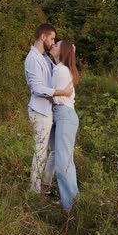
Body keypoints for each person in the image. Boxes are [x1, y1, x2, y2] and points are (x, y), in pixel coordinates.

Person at [24, 23, 73, 194]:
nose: (53, 42)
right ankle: (34, 191)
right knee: (41, 151)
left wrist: (69, 53)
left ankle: (45, 184)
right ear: (43, 37)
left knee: (55, 152)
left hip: (50, 111)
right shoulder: (32, 59)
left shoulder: (44, 58)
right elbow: (37, 88)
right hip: (40, 112)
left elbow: (59, 70)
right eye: (52, 38)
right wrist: (62, 92)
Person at [45, 40, 80, 213]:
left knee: (63, 163)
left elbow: (54, 95)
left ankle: (70, 207)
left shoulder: (60, 70)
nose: (52, 46)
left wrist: (41, 92)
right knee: (64, 161)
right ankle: (71, 202)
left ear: (62, 52)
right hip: (64, 115)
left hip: (63, 114)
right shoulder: (63, 68)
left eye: (56, 45)